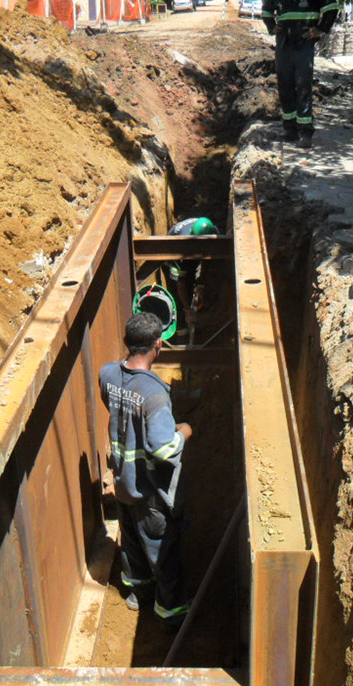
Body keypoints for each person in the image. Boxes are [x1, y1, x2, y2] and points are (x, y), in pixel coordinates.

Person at [98, 312, 193, 630]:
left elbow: (112, 405)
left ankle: (138, 593)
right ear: (158, 344)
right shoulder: (154, 395)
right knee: (160, 546)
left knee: (132, 541)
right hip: (150, 488)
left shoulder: (109, 374)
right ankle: (171, 611)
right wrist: (184, 431)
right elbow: (163, 448)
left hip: (124, 481)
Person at [262, 0, 339, 149]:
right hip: (284, 44)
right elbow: (266, 11)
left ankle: (305, 133)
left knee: (303, 86)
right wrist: (271, 26)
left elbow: (332, 7)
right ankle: (290, 129)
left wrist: (320, 29)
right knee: (285, 86)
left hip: (304, 44)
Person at [165, 217, 219, 330]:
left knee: (192, 277)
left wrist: (201, 281)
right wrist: (188, 310)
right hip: (174, 250)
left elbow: (209, 257)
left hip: (192, 248)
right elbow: (180, 282)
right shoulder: (179, 246)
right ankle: (181, 326)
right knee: (178, 289)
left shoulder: (213, 232)